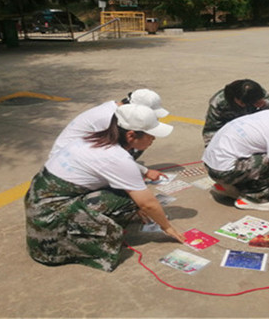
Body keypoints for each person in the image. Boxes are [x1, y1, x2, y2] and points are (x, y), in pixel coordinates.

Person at [25, 104, 185, 272]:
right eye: (151, 135)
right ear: (131, 135)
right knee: (130, 198)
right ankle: (79, 238)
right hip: (50, 235)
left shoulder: (93, 139)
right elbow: (148, 204)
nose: (153, 139)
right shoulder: (117, 158)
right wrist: (167, 228)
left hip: (39, 209)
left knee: (129, 192)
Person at [49, 88, 169, 181]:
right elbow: (112, 154)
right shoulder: (110, 118)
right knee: (137, 139)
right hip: (67, 162)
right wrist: (145, 171)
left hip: (78, 153)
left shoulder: (115, 108)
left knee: (140, 138)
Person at [202, 79, 269, 147]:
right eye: (243, 103)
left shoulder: (258, 93)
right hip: (231, 133)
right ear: (235, 98)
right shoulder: (220, 102)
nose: (245, 105)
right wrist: (214, 150)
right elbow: (211, 130)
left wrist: (264, 104)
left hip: (254, 131)